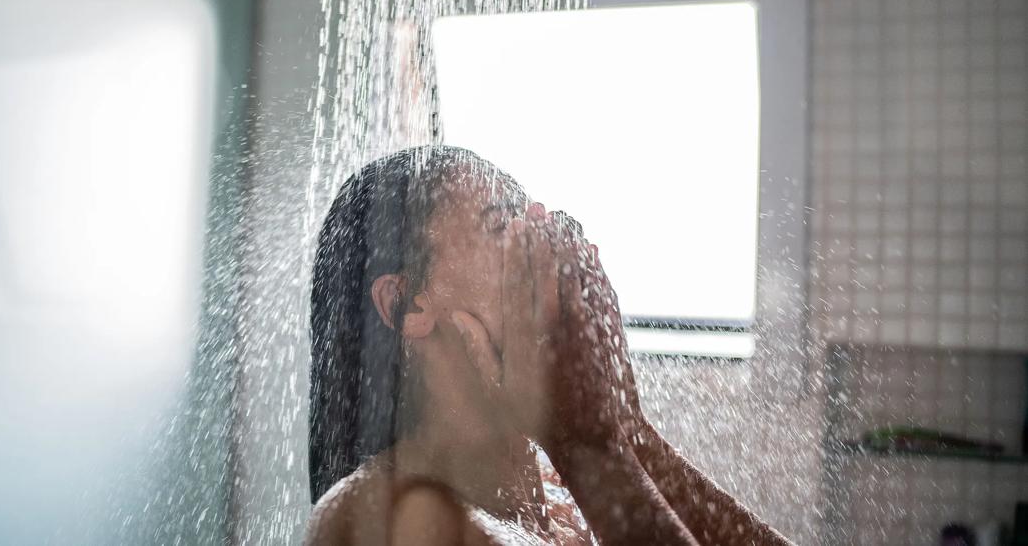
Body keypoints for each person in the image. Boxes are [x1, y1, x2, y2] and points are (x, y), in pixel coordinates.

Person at [306, 146, 791, 545]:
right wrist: (588, 445)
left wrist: (625, 429)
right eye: (504, 228)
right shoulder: (388, 521)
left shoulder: (564, 494)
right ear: (407, 304)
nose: (551, 245)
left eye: (531, 224)